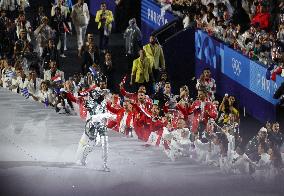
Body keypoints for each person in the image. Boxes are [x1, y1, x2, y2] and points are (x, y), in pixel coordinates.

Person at [76, 77, 114, 171]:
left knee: (105, 144)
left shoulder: (105, 101)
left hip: (102, 126)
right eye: (97, 94)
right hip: (92, 125)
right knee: (91, 145)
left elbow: (108, 105)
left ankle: (105, 165)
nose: (100, 95)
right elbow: (81, 96)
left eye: (101, 95)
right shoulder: (91, 102)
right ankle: (83, 158)